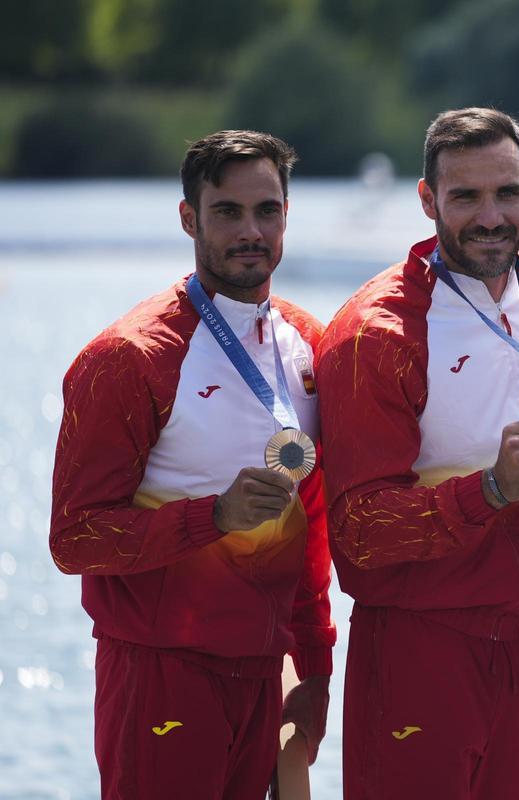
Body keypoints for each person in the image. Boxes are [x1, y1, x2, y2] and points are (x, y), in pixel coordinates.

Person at [49, 130, 335, 799]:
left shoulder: (307, 345)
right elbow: (74, 539)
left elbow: (310, 525)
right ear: (189, 218)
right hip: (160, 671)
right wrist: (214, 517)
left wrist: (315, 669)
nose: (250, 231)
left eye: (266, 211)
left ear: (287, 215)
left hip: (266, 674)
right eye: (227, 212)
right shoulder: (128, 359)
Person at [317, 107, 519, 800]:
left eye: (506, 193)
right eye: (465, 197)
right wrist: (489, 488)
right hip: (417, 648)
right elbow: (358, 534)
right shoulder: (377, 333)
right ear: (427, 200)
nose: (490, 217)